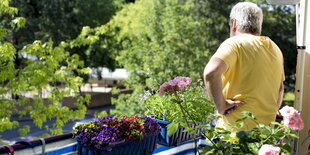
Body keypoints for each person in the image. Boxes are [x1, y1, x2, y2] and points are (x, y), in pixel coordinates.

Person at [203, 2, 285, 132]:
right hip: (265, 135)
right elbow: (280, 88)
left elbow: (211, 73)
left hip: (234, 134)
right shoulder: (275, 49)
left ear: (234, 23)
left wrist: (221, 106)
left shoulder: (234, 44)